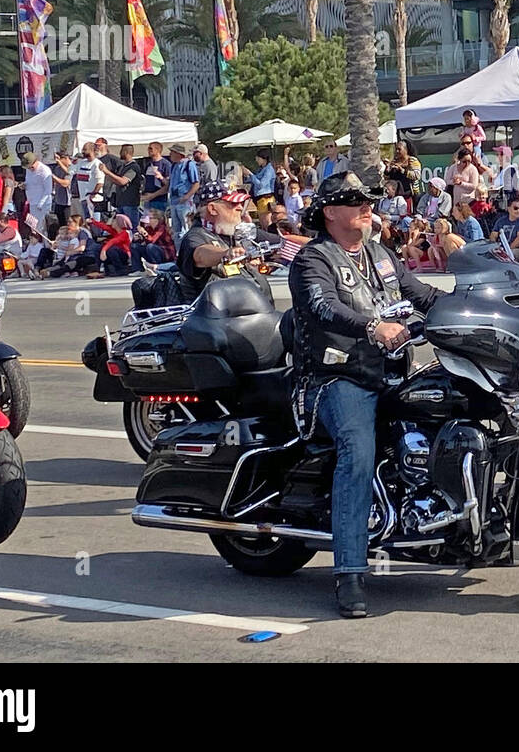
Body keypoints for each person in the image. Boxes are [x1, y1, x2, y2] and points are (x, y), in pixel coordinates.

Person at [288, 173, 440, 618]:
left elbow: (423, 294)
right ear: (330, 213)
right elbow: (324, 307)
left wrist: (490, 302)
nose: (367, 206)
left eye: (369, 200)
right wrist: (373, 326)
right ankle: (349, 572)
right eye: (355, 201)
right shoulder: (313, 260)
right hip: (335, 379)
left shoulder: (381, 254)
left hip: (394, 374)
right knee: (358, 451)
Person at [176, 180, 259, 297]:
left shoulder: (230, 233)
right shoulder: (196, 235)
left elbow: (277, 240)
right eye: (233, 203)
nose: (240, 208)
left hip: (246, 306)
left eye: (241, 203)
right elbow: (200, 255)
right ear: (213, 209)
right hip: (215, 311)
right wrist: (225, 254)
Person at [165, 143, 200, 246]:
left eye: (172, 152)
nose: (170, 154)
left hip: (184, 202)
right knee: (176, 230)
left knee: (186, 229)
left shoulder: (189, 165)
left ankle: (187, 251)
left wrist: (187, 196)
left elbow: (196, 183)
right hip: (174, 201)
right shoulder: (174, 166)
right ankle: (178, 253)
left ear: (178, 154)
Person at [21, 151, 53, 227]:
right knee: (34, 227)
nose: (30, 169)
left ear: (36, 161)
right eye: (28, 167)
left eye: (31, 167)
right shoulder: (28, 170)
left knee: (43, 227)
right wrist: (24, 185)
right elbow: (29, 182)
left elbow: (48, 190)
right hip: (32, 202)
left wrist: (40, 204)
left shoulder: (45, 171)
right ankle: (35, 239)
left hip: (43, 204)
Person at [140, 142, 172, 212]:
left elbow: (168, 185)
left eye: (151, 149)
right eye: (148, 148)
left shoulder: (166, 164)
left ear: (157, 150)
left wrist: (161, 177)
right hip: (147, 199)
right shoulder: (148, 164)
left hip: (160, 201)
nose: (148, 151)